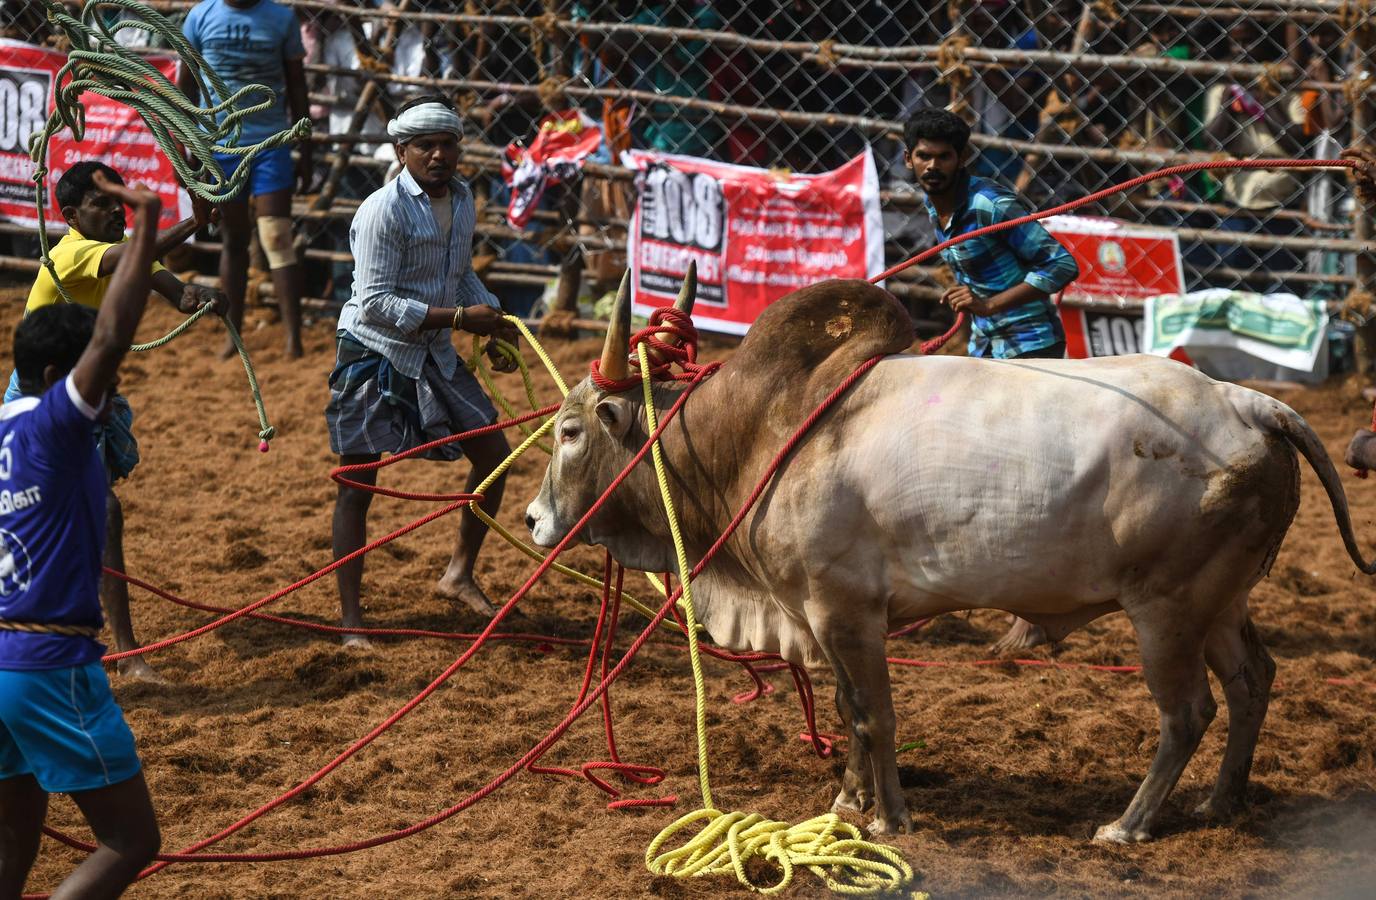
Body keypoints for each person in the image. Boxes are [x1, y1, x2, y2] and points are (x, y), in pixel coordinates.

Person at [0, 171, 164, 899]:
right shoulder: (57, 426)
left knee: (14, 828)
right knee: (130, 840)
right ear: (55, 374)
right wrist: (150, 215)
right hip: (46, 667)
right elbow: (110, 332)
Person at [6, 160, 224, 683]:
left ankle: (124, 652)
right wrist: (192, 222)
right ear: (71, 215)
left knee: (95, 514)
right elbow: (137, 255)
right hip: (46, 400)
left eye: (119, 204)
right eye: (104, 205)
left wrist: (200, 298)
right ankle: (124, 653)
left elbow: (174, 289)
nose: (114, 213)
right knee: (96, 512)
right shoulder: (72, 252)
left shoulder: (124, 251)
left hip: (82, 398)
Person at [327, 95, 520, 649]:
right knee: (358, 481)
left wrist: (495, 320)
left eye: (447, 144)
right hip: (374, 350)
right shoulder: (381, 211)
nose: (438, 155)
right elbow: (374, 305)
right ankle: (351, 622)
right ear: (401, 151)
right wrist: (464, 318)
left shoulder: (462, 201)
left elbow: (458, 278)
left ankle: (459, 572)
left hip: (432, 348)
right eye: (425, 146)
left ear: (459, 147)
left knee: (493, 453)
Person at [905, 107, 1079, 653]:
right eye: (924, 156)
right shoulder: (939, 207)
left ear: (963, 159)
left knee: (1030, 482)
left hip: (1029, 346)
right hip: (987, 348)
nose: (933, 166)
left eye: (944, 157)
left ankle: (1038, 614)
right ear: (910, 159)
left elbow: (1060, 265)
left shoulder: (990, 203)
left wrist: (988, 303)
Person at [180, 0, 311, 358]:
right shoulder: (200, 16)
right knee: (234, 238)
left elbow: (297, 85)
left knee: (276, 235)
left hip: (271, 143)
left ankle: (293, 340)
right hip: (220, 146)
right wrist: (191, 146)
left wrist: (305, 149)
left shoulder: (281, 18)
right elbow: (186, 86)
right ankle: (232, 335)